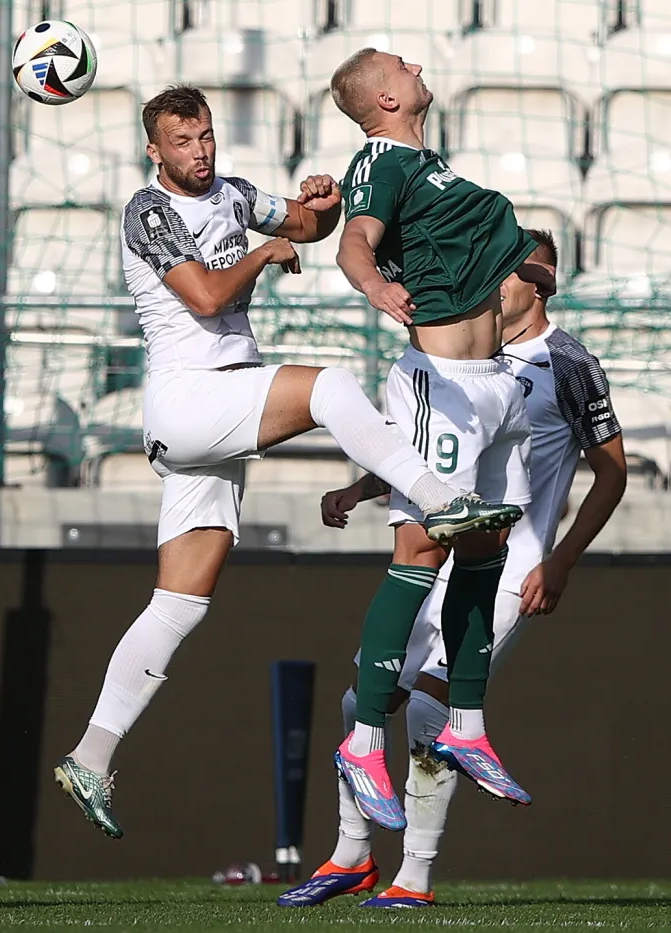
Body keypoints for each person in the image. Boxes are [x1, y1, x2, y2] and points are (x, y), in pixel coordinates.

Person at [52, 85, 524, 840]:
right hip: (191, 397)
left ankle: (90, 755)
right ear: (154, 151)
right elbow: (206, 297)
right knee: (331, 385)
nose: (199, 151)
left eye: (205, 136)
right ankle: (438, 497)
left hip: (219, 405)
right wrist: (267, 252)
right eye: (182, 142)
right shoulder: (148, 211)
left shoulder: (234, 193)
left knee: (181, 602)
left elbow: (304, 224)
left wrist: (321, 204)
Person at [279, 231, 628, 909]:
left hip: (511, 564)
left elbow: (612, 472)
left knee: (430, 706)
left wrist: (560, 559)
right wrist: (361, 489)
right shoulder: (467, 357)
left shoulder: (567, 362)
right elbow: (435, 454)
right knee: (363, 698)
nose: (491, 283)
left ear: (538, 284)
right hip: (443, 548)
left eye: (506, 272)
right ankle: (351, 855)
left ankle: (416, 874)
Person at [326, 48, 547, 827]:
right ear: (385, 97)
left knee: (486, 547)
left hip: (493, 383)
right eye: (400, 64)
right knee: (421, 550)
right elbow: (355, 240)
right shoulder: (381, 159)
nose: (416, 64)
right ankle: (363, 741)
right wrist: (376, 285)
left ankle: (467, 723)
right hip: (442, 384)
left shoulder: (429, 163)